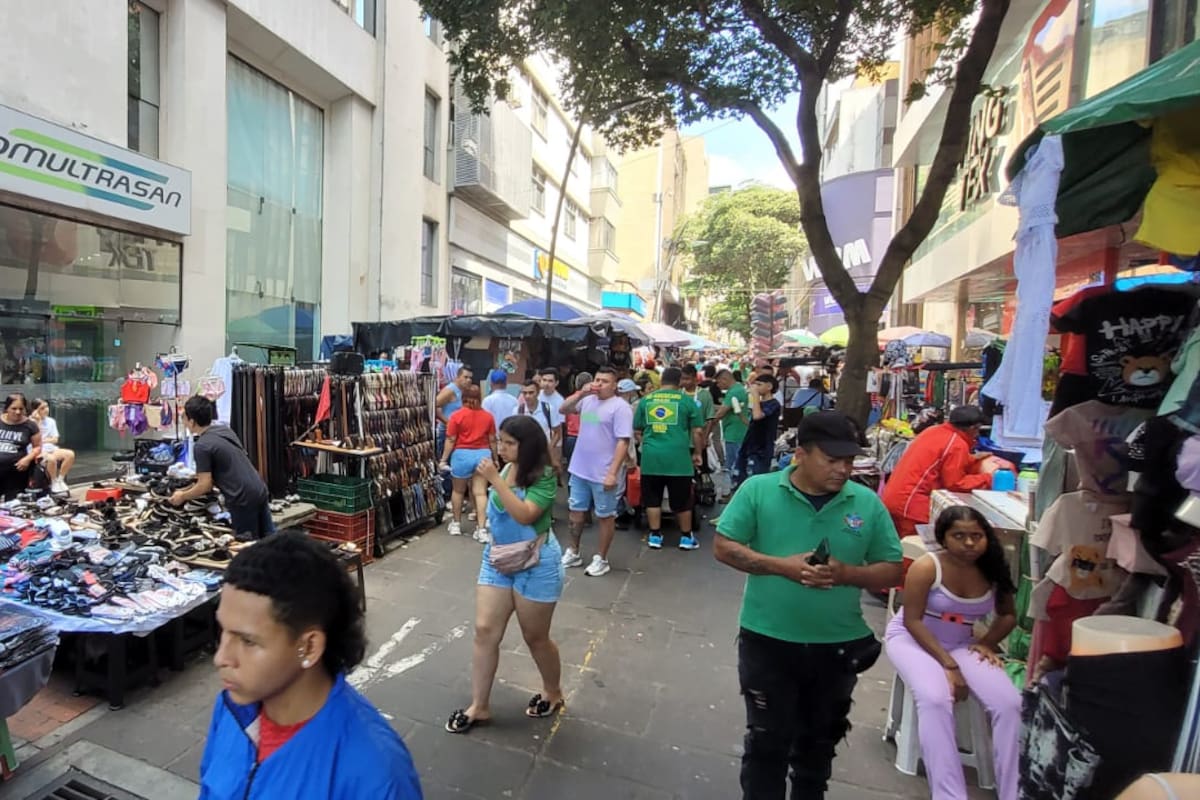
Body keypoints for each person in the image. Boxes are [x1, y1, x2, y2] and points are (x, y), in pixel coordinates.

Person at [714, 411, 903, 799]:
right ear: (800, 453)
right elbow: (724, 547)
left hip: (836, 647)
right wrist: (781, 566)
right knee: (767, 742)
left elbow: (891, 570)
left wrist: (846, 573)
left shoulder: (865, 503)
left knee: (818, 745)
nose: (843, 469)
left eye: (849, 461)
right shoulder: (758, 490)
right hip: (767, 640)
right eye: (832, 459)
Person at [199, 531, 422, 799]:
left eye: (247, 641)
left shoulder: (375, 770)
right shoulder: (232, 708)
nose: (222, 658)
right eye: (223, 631)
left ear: (309, 646)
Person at [884, 506, 1020, 800]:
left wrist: (987, 643)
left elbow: (1008, 615)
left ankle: (1015, 793)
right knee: (935, 698)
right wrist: (949, 666)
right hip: (912, 639)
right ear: (944, 539)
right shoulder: (928, 567)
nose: (970, 543)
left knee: (1010, 703)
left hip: (962, 642)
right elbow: (912, 620)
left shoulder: (993, 568)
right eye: (959, 536)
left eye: (977, 536)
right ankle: (949, 795)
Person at [446, 415, 564, 733]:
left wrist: (495, 480)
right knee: (485, 630)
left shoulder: (545, 476)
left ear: (528, 447)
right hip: (498, 558)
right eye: (500, 441)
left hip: (536, 563)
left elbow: (526, 514)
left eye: (509, 443)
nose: (502, 448)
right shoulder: (507, 468)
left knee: (535, 637)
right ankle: (479, 705)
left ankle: (553, 691)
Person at [559, 367, 633, 574]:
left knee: (605, 515)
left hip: (603, 472)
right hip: (580, 469)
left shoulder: (620, 408)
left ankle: (602, 558)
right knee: (576, 512)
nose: (599, 384)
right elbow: (563, 409)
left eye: (605, 381)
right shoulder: (588, 401)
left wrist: (612, 472)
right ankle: (573, 551)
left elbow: (622, 442)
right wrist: (581, 393)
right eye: (597, 380)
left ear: (615, 385)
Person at [880, 405, 994, 538]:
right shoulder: (957, 444)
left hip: (894, 497)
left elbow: (938, 461)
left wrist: (971, 459)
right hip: (911, 505)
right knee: (914, 550)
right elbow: (956, 484)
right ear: (973, 428)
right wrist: (989, 478)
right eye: (977, 430)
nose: (978, 435)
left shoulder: (934, 431)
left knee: (901, 548)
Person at [172, 396, 274, 540]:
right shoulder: (224, 430)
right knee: (269, 541)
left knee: (248, 545)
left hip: (241, 497)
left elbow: (205, 485)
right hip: (258, 488)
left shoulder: (202, 446)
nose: (184, 423)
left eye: (184, 419)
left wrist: (182, 496)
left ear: (192, 421)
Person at [634, 367, 704, 555]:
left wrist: (648, 443)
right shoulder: (687, 402)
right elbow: (697, 431)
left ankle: (655, 535)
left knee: (652, 499)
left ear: (661, 380)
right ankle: (686, 537)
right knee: (682, 501)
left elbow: (637, 430)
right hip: (679, 459)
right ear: (679, 381)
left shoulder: (646, 401)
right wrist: (698, 453)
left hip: (651, 458)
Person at [439, 385, 497, 542]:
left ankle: (456, 523)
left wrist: (444, 459)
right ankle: (482, 528)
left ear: (462, 398)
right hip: (483, 455)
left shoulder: (456, 416)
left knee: (458, 491)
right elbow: (492, 439)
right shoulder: (488, 417)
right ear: (480, 398)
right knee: (480, 492)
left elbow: (451, 439)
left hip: (461, 455)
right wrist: (496, 458)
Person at [436, 366, 474, 500]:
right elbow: (433, 406)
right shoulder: (450, 390)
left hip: (457, 433)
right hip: (446, 432)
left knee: (454, 464)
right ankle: (446, 497)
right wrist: (448, 423)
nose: (468, 380)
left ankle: (453, 497)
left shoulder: (462, 391)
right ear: (457, 377)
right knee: (445, 466)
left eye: (470, 377)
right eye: (465, 377)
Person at [738, 374, 782, 481]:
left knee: (756, 479)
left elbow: (757, 416)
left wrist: (755, 397)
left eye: (759, 384)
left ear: (769, 386)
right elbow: (753, 424)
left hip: (762, 450)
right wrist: (740, 414)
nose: (756, 387)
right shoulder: (760, 404)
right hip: (749, 446)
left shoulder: (774, 404)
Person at [713, 369, 750, 487]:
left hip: (735, 432)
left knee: (733, 463)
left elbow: (722, 411)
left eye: (719, 382)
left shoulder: (734, 391)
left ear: (725, 379)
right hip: (737, 431)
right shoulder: (738, 389)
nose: (718, 386)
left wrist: (710, 423)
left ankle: (731, 490)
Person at [0, 393, 40, 501]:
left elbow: (37, 447)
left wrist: (27, 459)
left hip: (16, 472)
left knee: (13, 504)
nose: (17, 412)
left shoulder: (30, 425)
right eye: (14, 408)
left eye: (21, 409)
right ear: (7, 408)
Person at [29, 399, 74, 494]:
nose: (46, 410)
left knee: (70, 454)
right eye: (42, 408)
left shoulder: (51, 421)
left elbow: (55, 439)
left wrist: (44, 440)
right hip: (37, 450)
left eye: (47, 407)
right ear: (35, 411)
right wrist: (38, 422)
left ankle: (60, 480)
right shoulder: (30, 422)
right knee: (52, 459)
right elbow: (36, 440)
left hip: (50, 448)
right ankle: (53, 482)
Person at [537, 368, 566, 470]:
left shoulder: (560, 400)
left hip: (553, 443)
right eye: (544, 380)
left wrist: (552, 447)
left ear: (556, 383)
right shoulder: (536, 395)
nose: (546, 384)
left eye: (550, 381)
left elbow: (559, 429)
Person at [562, 371, 593, 466]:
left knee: (571, 466)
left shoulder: (569, 399)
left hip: (571, 436)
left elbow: (564, 420)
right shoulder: (593, 400)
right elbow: (595, 420)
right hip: (587, 437)